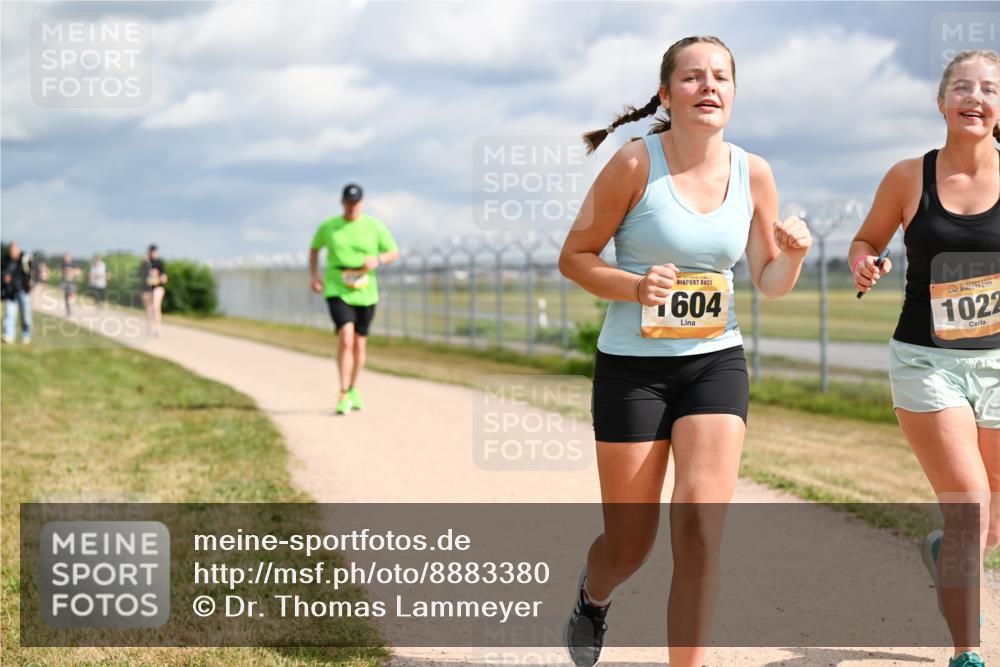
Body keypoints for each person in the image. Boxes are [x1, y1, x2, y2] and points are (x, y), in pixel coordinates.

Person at [558, 35, 812, 667]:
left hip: (714, 363)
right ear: (667, 93)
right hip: (633, 372)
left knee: (700, 528)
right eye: (694, 77)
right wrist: (636, 285)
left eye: (721, 77)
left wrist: (796, 255)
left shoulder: (753, 172)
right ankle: (594, 596)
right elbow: (575, 258)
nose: (709, 87)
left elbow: (770, 281)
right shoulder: (634, 164)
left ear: (733, 93)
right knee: (629, 544)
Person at [849, 49, 1000, 667]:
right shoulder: (908, 176)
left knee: (988, 522)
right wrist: (865, 261)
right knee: (969, 502)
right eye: (962, 87)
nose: (975, 97)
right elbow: (867, 240)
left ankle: (946, 555)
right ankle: (968, 653)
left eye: (989, 88)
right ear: (941, 103)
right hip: (926, 360)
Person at [309, 183, 400, 415]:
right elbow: (314, 248)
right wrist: (314, 275)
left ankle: (353, 387)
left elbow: (393, 252)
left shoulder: (374, 226)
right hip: (337, 286)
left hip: (365, 289)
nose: (352, 207)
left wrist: (377, 260)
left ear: (362, 202)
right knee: (346, 338)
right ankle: (342, 390)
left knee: (360, 344)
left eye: (356, 202)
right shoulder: (329, 226)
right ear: (342, 202)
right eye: (348, 202)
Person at [2, 241, 33, 344]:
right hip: (10, 292)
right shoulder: (5, 261)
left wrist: (29, 283)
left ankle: (26, 335)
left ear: (18, 250)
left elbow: (30, 272)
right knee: (9, 314)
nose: (12, 253)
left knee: (26, 316)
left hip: (23, 291)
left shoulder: (25, 259)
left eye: (14, 250)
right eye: (10, 251)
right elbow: (2, 272)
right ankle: (9, 336)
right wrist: (4, 278)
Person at [138, 244, 167, 336]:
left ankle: (157, 328)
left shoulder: (159, 262)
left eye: (155, 252)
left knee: (156, 306)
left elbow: (164, 276)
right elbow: (139, 275)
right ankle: (150, 327)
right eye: (152, 252)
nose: (153, 254)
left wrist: (162, 277)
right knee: (149, 309)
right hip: (146, 288)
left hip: (157, 287)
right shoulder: (144, 263)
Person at [59, 252, 80, 316]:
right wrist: (64, 273)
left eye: (67, 257)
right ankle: (68, 311)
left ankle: (71, 306)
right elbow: (60, 273)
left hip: (72, 282)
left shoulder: (74, 264)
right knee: (66, 297)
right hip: (65, 282)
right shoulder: (62, 265)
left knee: (71, 295)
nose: (66, 259)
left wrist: (72, 272)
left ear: (70, 258)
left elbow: (78, 272)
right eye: (65, 257)